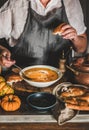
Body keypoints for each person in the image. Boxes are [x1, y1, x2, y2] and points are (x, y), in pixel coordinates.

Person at [0, 0, 87, 68]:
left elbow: (81, 48)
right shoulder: (15, 4)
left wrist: (75, 37)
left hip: (63, 78)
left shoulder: (71, 2)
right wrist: (1, 51)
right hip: (22, 77)